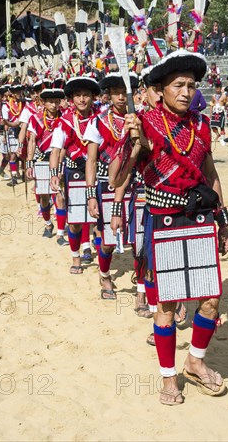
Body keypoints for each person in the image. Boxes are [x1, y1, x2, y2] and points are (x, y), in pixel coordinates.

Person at [109, 50, 228, 405]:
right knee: (167, 305)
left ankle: (194, 361)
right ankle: (168, 378)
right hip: (164, 224)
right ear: (159, 89)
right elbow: (117, 178)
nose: (186, 91)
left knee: (210, 299)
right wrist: (133, 146)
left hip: (200, 220)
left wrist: (223, 219)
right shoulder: (143, 123)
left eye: (192, 85)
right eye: (178, 84)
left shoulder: (201, 125)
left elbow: (210, 175)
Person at [84, 72, 139, 299]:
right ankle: (105, 273)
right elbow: (92, 160)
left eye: (123, 92)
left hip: (136, 183)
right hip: (107, 183)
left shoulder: (140, 118)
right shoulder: (98, 122)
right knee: (108, 241)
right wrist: (90, 195)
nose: (120, 97)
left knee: (138, 238)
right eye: (115, 92)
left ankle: (143, 288)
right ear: (109, 94)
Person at [50, 75, 101, 272]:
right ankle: (76, 257)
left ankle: (90, 246)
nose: (82, 100)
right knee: (76, 220)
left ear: (93, 97)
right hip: (74, 172)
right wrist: (54, 173)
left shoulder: (102, 118)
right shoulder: (65, 121)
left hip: (97, 172)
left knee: (96, 216)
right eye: (78, 95)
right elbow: (56, 149)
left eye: (86, 95)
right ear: (72, 99)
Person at [25, 80, 67, 240]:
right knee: (43, 196)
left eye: (57, 102)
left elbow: (65, 144)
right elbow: (32, 141)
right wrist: (29, 163)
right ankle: (48, 223)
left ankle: (62, 233)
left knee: (59, 195)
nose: (55, 105)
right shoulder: (36, 119)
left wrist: (60, 162)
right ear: (44, 103)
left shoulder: (65, 118)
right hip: (42, 160)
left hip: (59, 160)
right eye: (51, 102)